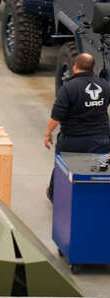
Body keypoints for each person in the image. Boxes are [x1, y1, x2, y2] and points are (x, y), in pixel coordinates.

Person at [45, 53, 110, 198]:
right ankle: (96, 198)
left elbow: (56, 116)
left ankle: (55, 195)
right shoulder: (105, 86)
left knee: (62, 169)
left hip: (73, 141)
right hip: (101, 142)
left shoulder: (68, 88)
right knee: (100, 173)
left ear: (75, 67)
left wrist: (48, 133)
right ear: (93, 68)